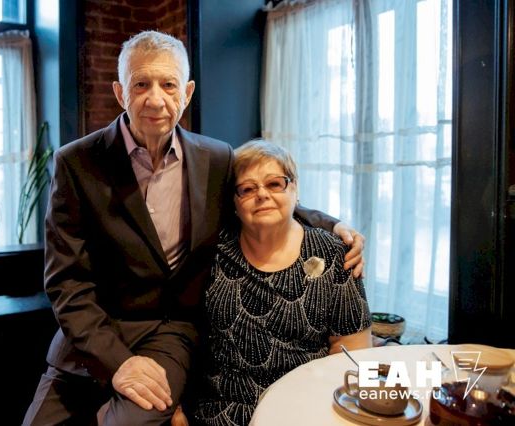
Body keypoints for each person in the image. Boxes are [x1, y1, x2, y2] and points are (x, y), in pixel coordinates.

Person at [23, 31, 365, 426]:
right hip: (88, 339)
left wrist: (333, 225)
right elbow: (66, 283)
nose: (156, 99)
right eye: (141, 84)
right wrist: (118, 362)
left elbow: (262, 195)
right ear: (120, 93)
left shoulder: (215, 158)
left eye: (168, 85)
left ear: (186, 93)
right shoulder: (76, 162)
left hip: (167, 334)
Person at [189, 140, 372, 425]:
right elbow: (186, 330)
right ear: (233, 202)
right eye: (247, 189)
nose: (262, 195)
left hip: (305, 408)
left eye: (275, 184)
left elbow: (351, 350)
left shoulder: (334, 254)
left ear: (294, 189)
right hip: (223, 410)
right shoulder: (213, 251)